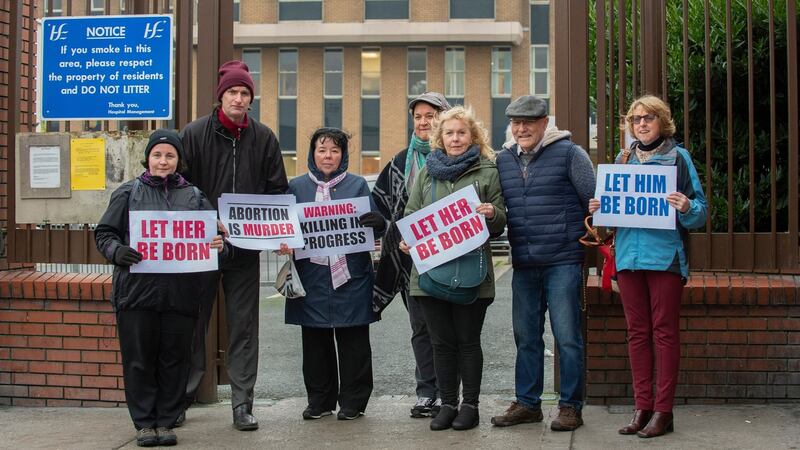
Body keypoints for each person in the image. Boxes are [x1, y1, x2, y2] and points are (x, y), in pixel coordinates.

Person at [95, 130, 226, 447]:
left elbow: (214, 240)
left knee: (174, 360)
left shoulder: (195, 197)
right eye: (157, 154)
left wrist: (220, 244)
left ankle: (167, 421)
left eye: (169, 155)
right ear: (148, 158)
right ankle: (144, 424)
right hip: (136, 295)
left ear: (179, 161)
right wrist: (117, 252)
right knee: (139, 360)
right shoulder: (128, 193)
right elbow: (104, 234)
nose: (163, 160)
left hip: (180, 296)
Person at [588, 95, 707, 438]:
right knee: (637, 333)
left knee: (664, 332)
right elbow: (609, 220)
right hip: (628, 257)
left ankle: (663, 411)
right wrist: (600, 207)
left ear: (662, 122)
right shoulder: (622, 158)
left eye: (648, 118)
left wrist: (686, 206)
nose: (641, 123)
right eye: (636, 119)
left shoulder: (678, 158)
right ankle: (642, 407)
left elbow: (700, 211)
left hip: (665, 256)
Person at [179, 60, 289, 430]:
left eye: (245, 93)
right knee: (194, 323)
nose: (239, 99)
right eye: (233, 92)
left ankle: (242, 404)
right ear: (220, 96)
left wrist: (276, 230)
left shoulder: (264, 137)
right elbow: (180, 190)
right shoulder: (194, 135)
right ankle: (181, 399)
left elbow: (278, 191)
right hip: (202, 248)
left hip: (245, 251)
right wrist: (208, 221)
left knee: (244, 327)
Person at [490, 95, 596, 431]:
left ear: (545, 122)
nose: (521, 129)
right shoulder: (503, 159)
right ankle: (527, 404)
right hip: (523, 261)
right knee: (526, 337)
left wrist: (598, 207)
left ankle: (570, 407)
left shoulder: (570, 154)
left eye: (529, 123)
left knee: (566, 337)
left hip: (563, 260)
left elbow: (593, 199)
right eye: (516, 123)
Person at [400, 106, 507, 431]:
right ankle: (447, 404)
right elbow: (411, 213)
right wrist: (407, 239)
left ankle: (470, 405)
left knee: (468, 342)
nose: (456, 138)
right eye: (450, 133)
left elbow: (502, 220)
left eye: (462, 132)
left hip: (473, 275)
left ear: (473, 136)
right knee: (441, 344)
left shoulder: (488, 171)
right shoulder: (427, 174)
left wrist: (492, 214)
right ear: (440, 138)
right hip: (430, 275)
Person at [278, 127, 386, 421]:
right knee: (314, 342)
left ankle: (353, 401)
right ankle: (320, 401)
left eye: (335, 151)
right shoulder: (297, 187)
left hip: (351, 274)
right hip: (310, 275)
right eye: (322, 150)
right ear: (312, 154)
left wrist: (378, 223)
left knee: (354, 341)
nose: (328, 156)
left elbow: (377, 225)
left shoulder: (358, 185)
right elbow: (284, 228)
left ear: (343, 155)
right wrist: (282, 242)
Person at [372, 92, 451, 418]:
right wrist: (380, 224)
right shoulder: (399, 163)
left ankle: (451, 394)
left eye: (430, 116)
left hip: (450, 258)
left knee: (450, 331)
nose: (423, 122)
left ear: (443, 119)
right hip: (410, 263)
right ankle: (427, 392)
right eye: (418, 116)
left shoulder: (456, 157)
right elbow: (378, 206)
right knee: (421, 328)